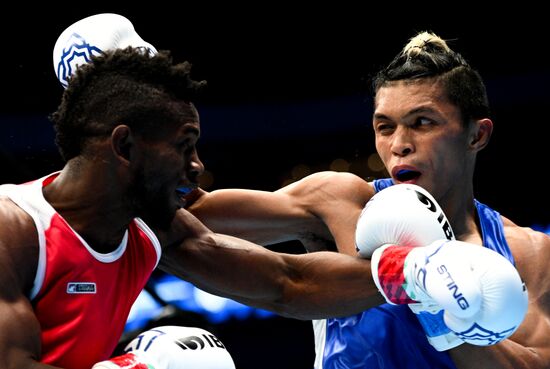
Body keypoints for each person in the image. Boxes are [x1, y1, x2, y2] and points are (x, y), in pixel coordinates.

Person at [0, 14, 532, 369]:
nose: (198, 166)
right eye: (185, 146)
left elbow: (286, 281)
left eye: (422, 123)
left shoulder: (154, 227)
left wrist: (411, 275)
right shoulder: (12, 230)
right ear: (124, 146)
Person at [183, 31, 550, 368]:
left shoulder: (529, 253)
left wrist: (438, 307)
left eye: (423, 122)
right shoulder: (341, 203)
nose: (399, 144)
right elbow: (189, 216)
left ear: (476, 135)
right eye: (385, 126)